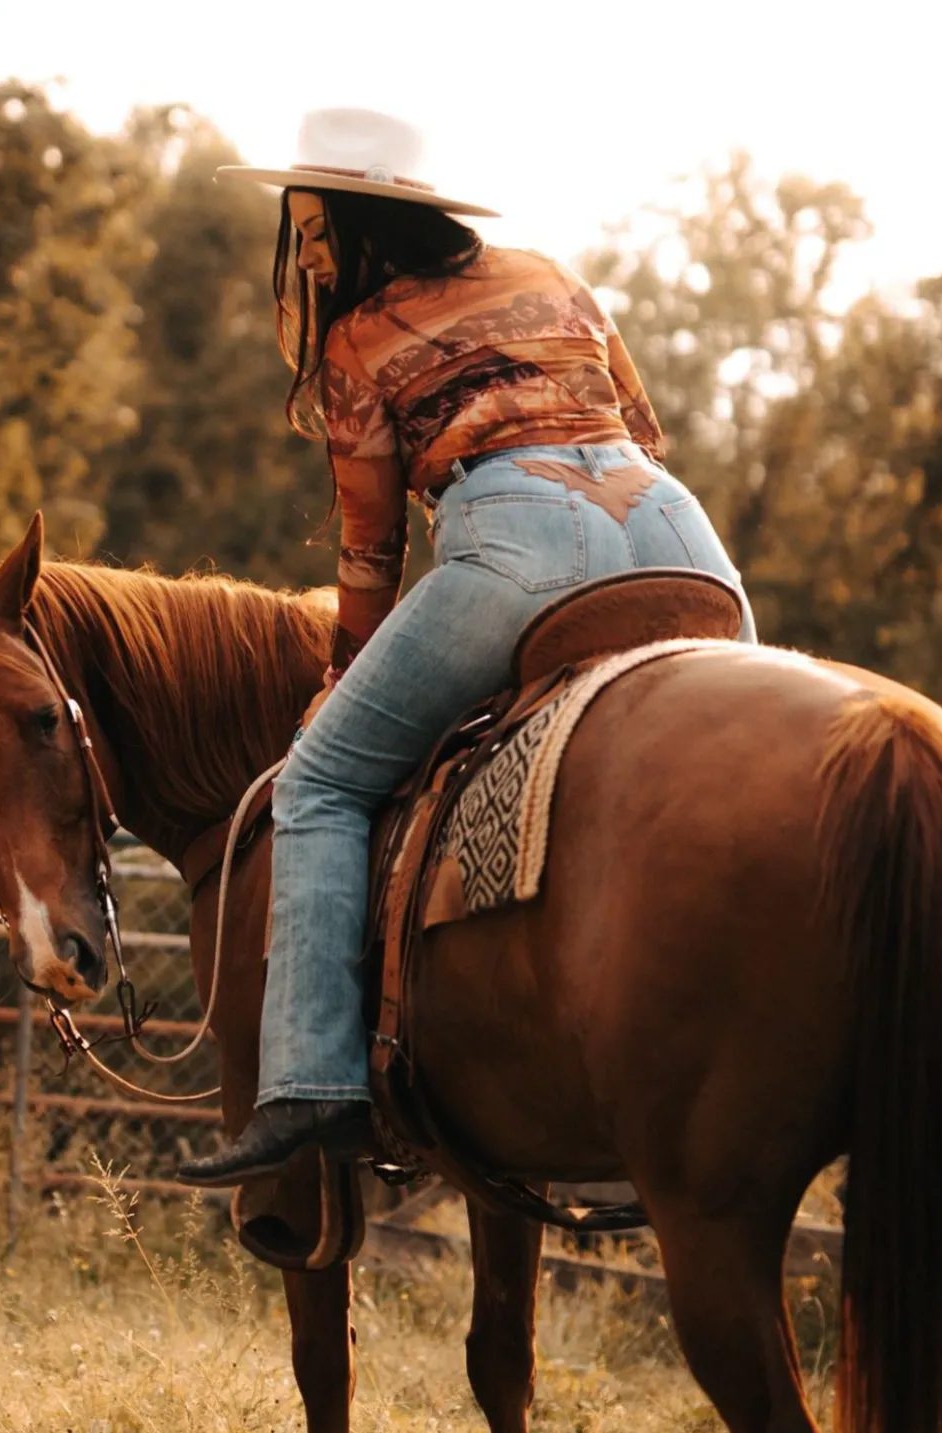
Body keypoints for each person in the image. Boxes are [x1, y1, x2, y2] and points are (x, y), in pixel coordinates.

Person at [177, 108, 755, 1186]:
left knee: (320, 786)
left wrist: (340, 684)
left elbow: (367, 548)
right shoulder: (552, 274)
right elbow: (643, 424)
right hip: (681, 537)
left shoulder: (356, 337)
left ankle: (311, 1084)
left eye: (312, 230)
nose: (304, 255)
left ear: (363, 224)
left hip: (521, 539)